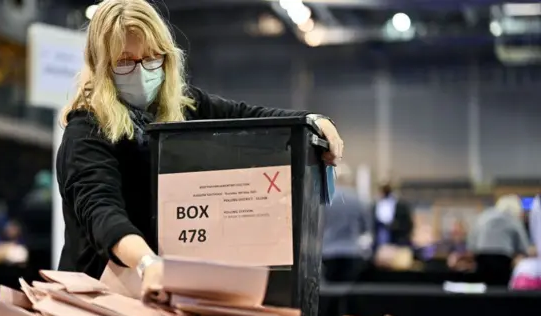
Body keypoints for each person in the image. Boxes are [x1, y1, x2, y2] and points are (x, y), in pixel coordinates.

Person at [56, 0, 344, 291]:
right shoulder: (86, 131)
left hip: (165, 290)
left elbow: (247, 116)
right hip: (99, 297)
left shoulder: (184, 106)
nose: (142, 72)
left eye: (152, 58)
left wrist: (315, 120)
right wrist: (147, 263)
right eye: (125, 62)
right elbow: (102, 212)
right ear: (101, 66)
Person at [467, 194, 532, 285]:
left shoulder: (484, 215)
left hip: (482, 255)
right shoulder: (513, 219)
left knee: (484, 286)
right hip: (503, 257)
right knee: (502, 287)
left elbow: (472, 241)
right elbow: (524, 246)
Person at [322, 164, 370, 282]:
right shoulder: (358, 200)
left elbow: (320, 224)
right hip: (352, 251)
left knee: (331, 292)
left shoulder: (327, 200)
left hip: (329, 251)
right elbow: (366, 227)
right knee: (348, 292)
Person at [371, 183, 413, 251]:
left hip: (397, 240)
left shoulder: (401, 206)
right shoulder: (375, 205)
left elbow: (408, 224)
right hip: (380, 238)